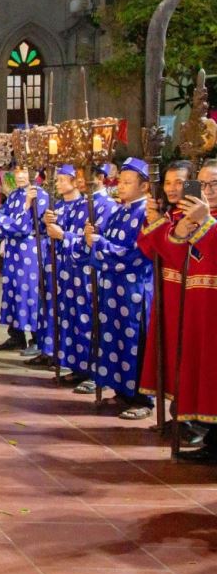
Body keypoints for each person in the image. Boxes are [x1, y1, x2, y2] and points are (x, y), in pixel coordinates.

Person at [83, 157, 155, 419]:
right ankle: (122, 390)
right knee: (114, 337)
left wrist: (99, 243)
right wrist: (92, 237)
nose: (121, 186)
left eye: (127, 182)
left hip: (134, 290)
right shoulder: (120, 211)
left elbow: (137, 254)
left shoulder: (146, 213)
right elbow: (103, 240)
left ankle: (142, 398)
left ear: (144, 186)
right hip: (112, 287)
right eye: (120, 181)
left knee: (135, 341)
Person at [137, 160, 199, 443]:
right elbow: (149, 249)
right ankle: (178, 415)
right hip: (166, 293)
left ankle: (193, 422)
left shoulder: (195, 218)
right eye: (168, 182)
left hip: (190, 296)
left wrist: (159, 226)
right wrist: (153, 221)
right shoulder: (169, 214)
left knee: (188, 356)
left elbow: (177, 254)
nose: (173, 188)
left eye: (180, 183)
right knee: (169, 354)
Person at [45, 166, 118, 389]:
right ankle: (79, 367)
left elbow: (96, 240)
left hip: (90, 272)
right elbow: (66, 232)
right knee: (74, 318)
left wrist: (63, 235)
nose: (81, 181)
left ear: (100, 177)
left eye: (85, 176)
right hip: (72, 270)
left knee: (90, 318)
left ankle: (96, 374)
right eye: (78, 176)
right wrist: (53, 223)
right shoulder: (80, 204)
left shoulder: (107, 205)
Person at [169, 159, 217, 462]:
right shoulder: (190, 215)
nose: (207, 190)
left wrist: (207, 221)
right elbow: (171, 256)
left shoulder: (207, 218)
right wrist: (179, 231)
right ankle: (211, 439)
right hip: (197, 306)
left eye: (214, 184)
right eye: (202, 184)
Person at [0, 166, 49, 355]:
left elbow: (23, 227)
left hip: (31, 251)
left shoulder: (40, 195)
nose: (20, 176)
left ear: (35, 174)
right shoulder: (14, 195)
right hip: (14, 252)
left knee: (31, 292)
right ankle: (17, 335)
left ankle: (37, 338)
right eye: (17, 172)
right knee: (13, 290)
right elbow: (5, 220)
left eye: (25, 172)